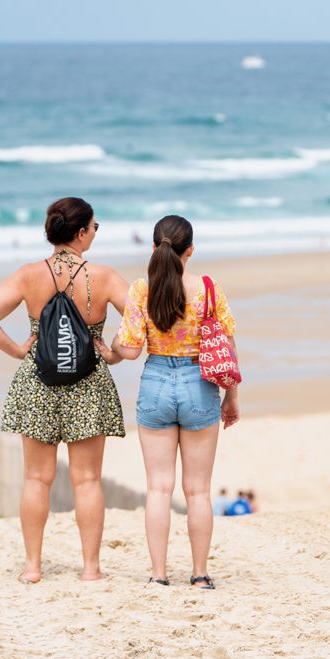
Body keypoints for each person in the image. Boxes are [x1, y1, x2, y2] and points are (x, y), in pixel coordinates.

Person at [0, 197, 128, 583]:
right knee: (88, 480)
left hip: (38, 378)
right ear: (80, 232)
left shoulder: (29, 275)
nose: (94, 233)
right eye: (94, 227)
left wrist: (18, 349)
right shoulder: (105, 276)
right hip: (88, 380)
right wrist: (114, 353)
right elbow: (142, 323)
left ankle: (32, 567)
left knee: (36, 479)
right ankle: (91, 569)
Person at [102, 215, 239, 589]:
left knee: (159, 488)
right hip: (201, 384)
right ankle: (199, 574)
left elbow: (129, 350)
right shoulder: (208, 289)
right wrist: (232, 396)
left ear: (153, 247)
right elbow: (225, 345)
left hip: (157, 382)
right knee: (197, 490)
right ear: (190, 250)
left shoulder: (141, 290)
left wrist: (110, 346)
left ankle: (159, 575)